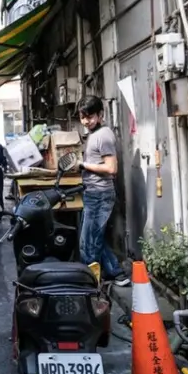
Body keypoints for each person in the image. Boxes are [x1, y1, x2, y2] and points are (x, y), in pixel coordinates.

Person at [75, 96, 130, 286]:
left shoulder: (103, 136)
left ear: (100, 114)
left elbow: (111, 168)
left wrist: (83, 165)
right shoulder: (94, 134)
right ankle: (116, 273)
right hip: (93, 194)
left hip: (100, 195)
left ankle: (89, 285)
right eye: (83, 117)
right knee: (94, 237)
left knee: (88, 244)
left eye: (90, 117)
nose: (86, 121)